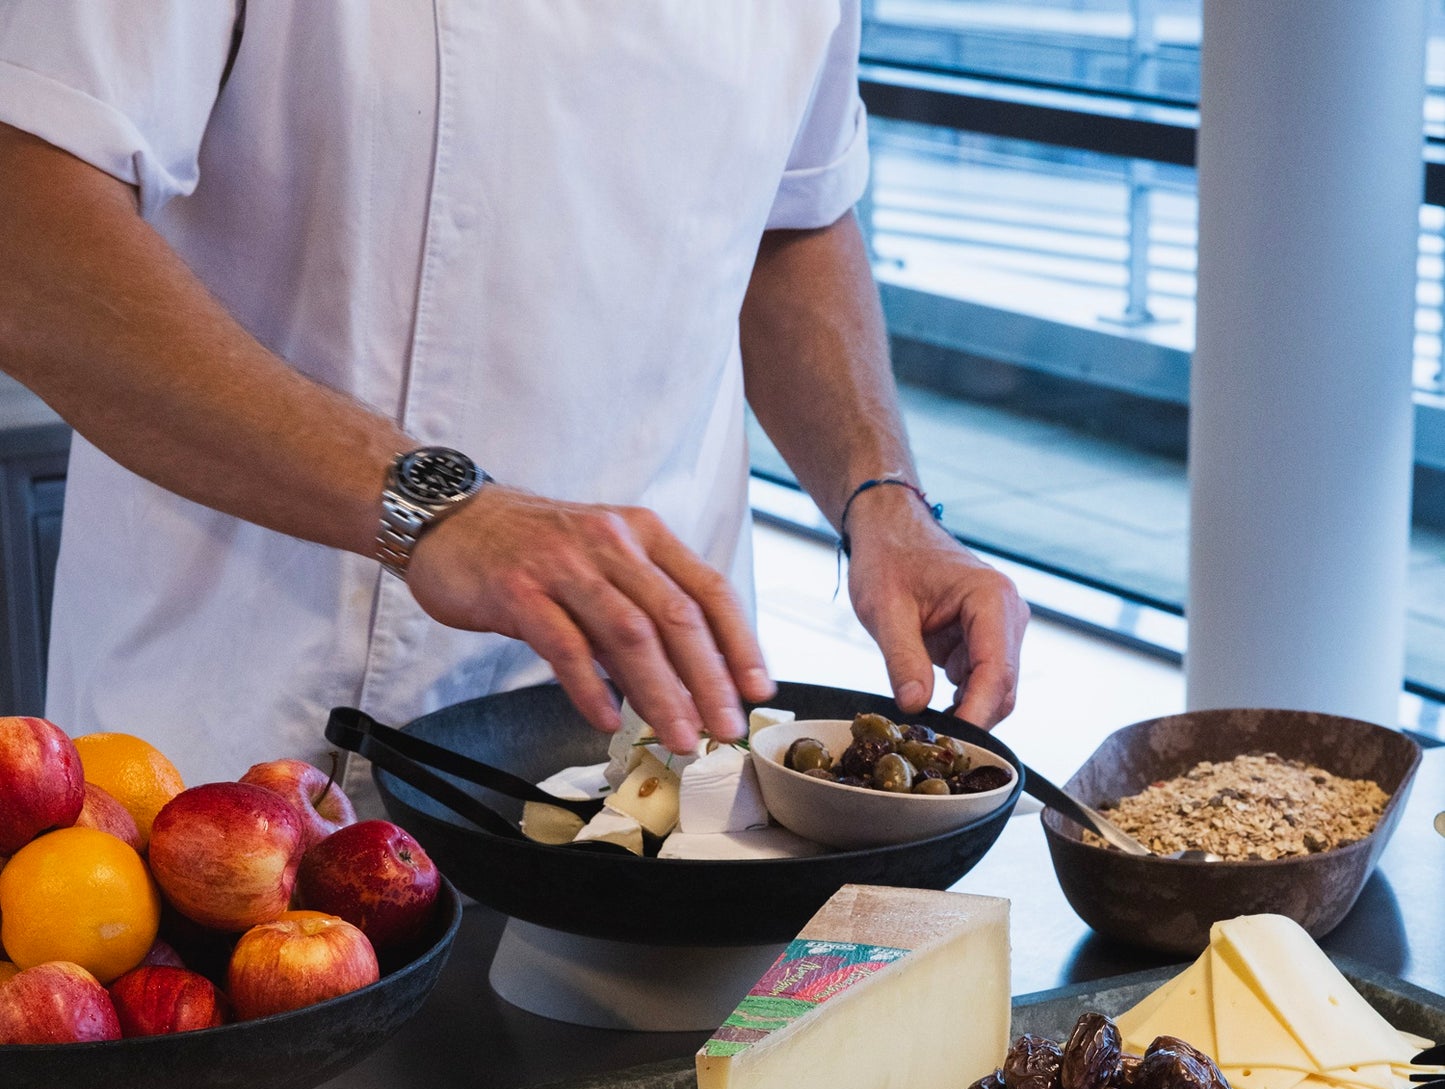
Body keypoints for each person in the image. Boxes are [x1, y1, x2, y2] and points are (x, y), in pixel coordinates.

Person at [0, 3, 1027, 783]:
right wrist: (430, 503)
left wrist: (881, 499)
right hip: (255, 735)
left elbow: (792, 215)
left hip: (655, 737)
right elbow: (26, 226)